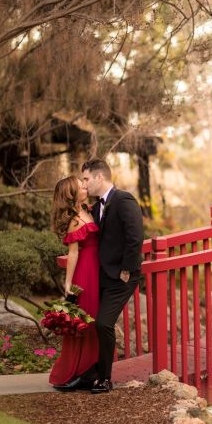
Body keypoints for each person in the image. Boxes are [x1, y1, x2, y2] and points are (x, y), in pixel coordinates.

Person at [64, 158, 144, 394]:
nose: (84, 184)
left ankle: (105, 378)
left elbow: (135, 237)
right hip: (101, 276)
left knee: (103, 323)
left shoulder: (123, 200)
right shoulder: (96, 207)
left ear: (99, 177)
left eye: (86, 179)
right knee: (92, 323)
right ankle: (90, 372)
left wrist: (126, 270)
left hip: (122, 277)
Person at [48, 176, 100, 389]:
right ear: (72, 194)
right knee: (86, 320)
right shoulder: (75, 221)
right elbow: (73, 253)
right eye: (81, 186)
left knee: (96, 319)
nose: (85, 187)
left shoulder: (88, 210)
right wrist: (68, 283)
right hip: (85, 272)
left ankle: (92, 368)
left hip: (96, 269)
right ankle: (78, 371)